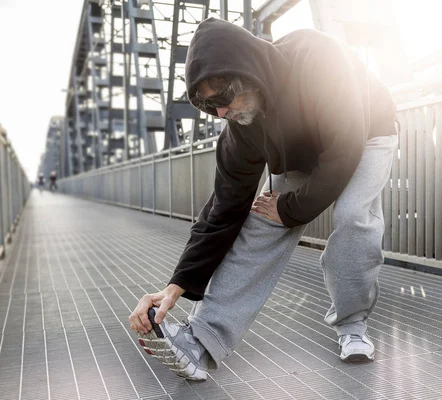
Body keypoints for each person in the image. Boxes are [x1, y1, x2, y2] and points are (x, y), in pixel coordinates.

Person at [129, 17, 398, 381]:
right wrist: (177, 284)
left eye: (222, 98)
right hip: (304, 154)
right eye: (210, 108)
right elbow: (224, 207)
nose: (221, 112)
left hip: (365, 135)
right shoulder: (242, 126)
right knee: (261, 224)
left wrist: (289, 208)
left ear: (246, 73)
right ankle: (201, 341)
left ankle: (351, 326)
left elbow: (343, 153)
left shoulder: (318, 59)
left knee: (353, 217)